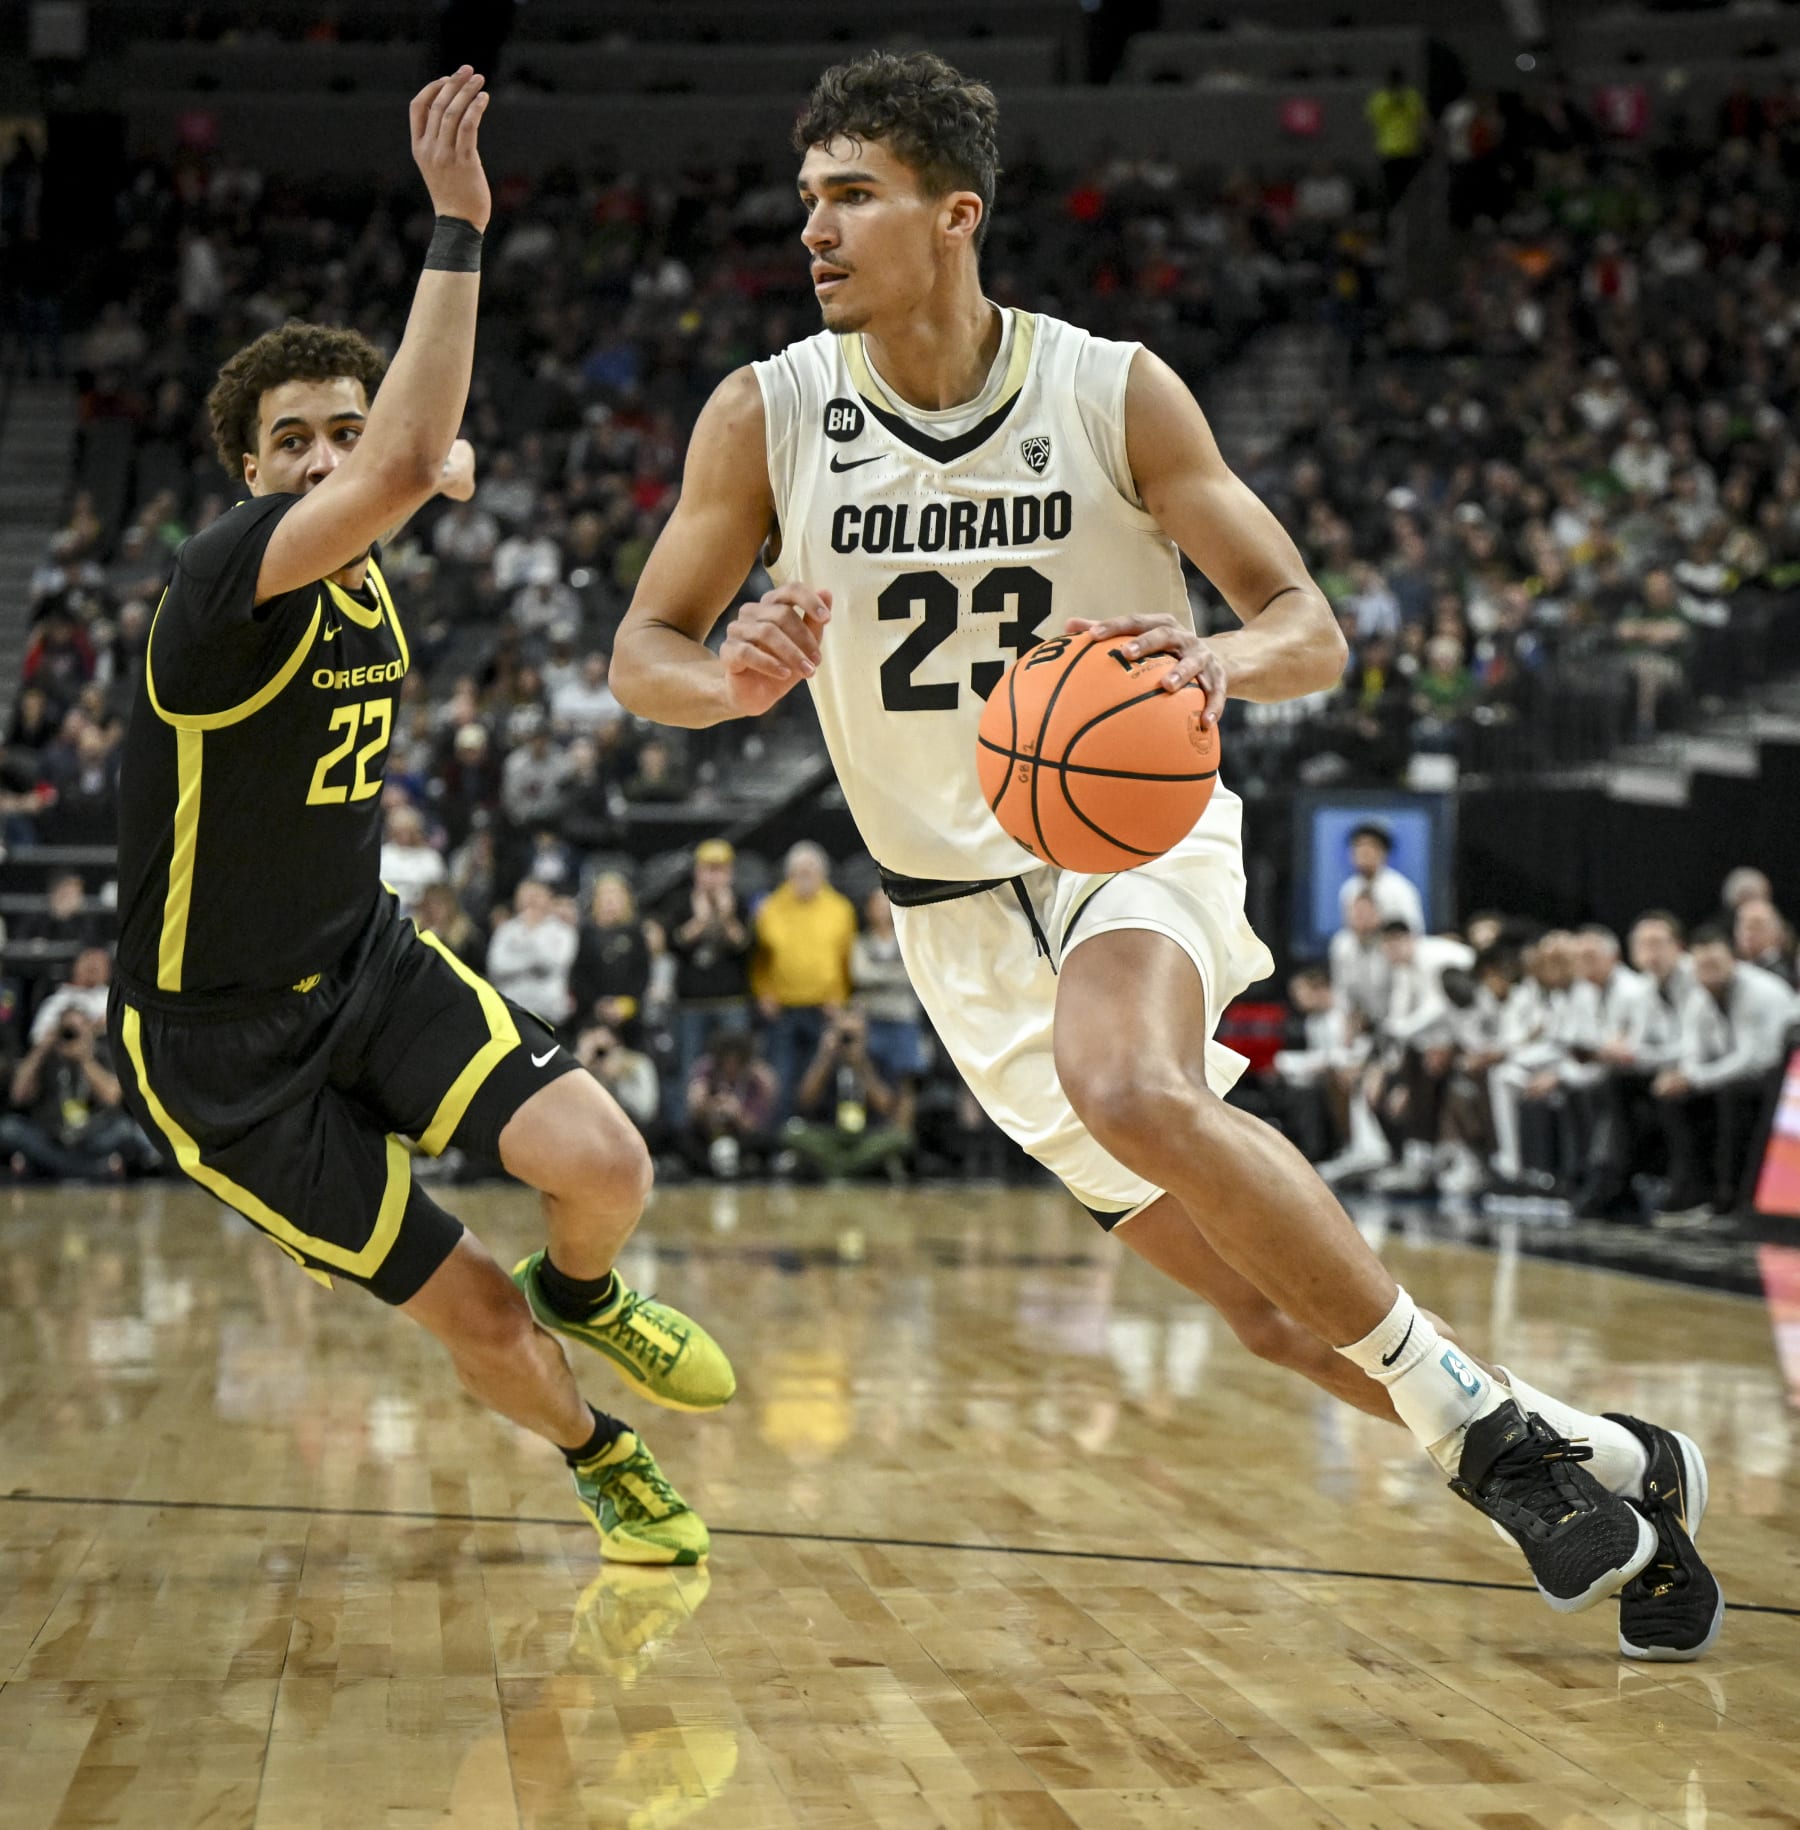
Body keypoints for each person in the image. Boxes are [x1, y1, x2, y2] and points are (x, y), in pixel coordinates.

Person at [610, 50, 1719, 1657]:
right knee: (1268, 1312)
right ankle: (1609, 1455)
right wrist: (728, 679)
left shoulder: (1108, 388)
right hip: (955, 922)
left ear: (957, 214)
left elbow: (1309, 627)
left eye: (854, 195)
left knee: (1134, 1079)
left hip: (1129, 831)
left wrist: (1219, 666)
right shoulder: (765, 414)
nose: (817, 231)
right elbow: (641, 647)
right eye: (809, 201)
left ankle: (1480, 1445)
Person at [105, 72, 726, 1571]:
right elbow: (403, 466)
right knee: (475, 1311)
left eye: (340, 428)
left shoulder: (372, 522)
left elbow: (418, 464)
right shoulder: (215, 591)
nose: (324, 458)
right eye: (292, 443)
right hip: (221, 1053)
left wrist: (431, 462)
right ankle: (599, 1449)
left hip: (363, 960)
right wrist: (457, 230)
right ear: (248, 478)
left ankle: (594, 1292)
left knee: (609, 1167)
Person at [751, 841, 857, 1119]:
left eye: (811, 870)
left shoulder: (840, 909)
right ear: (788, 874)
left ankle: (820, 1131)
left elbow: (847, 960)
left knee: (824, 1074)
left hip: (824, 1008)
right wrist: (764, 992)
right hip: (783, 1009)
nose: (805, 876)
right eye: (799, 871)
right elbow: (759, 959)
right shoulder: (770, 908)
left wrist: (841, 997)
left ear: (823, 873)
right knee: (781, 1074)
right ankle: (783, 1138)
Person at [661, 838, 755, 1126]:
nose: (714, 877)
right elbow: (671, 945)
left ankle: (739, 1128)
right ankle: (686, 1131)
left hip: (731, 1001)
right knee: (690, 1070)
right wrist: (700, 922)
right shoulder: (680, 903)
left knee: (737, 1069)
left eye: (720, 870)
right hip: (691, 1003)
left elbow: (747, 948)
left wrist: (725, 918)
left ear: (730, 873)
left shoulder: (740, 903)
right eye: (708, 870)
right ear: (697, 872)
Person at [784, 1004, 914, 1180]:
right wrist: (825, 1058)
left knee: (900, 1138)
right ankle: (854, 1168)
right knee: (791, 1133)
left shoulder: (876, 1059)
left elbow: (885, 1105)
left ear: (865, 1034)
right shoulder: (823, 1058)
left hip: (866, 1135)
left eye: (853, 1036)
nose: (847, 1041)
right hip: (829, 1133)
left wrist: (861, 1065)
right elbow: (805, 1100)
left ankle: (838, 1168)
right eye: (844, 1035)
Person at [1337, 822, 1424, 933]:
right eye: (1358, 847)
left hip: (1391, 947)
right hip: (1362, 947)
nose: (1364, 852)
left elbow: (1414, 932)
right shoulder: (1349, 888)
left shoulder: (1399, 888)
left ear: (1383, 853)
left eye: (1370, 847)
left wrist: (1379, 923)